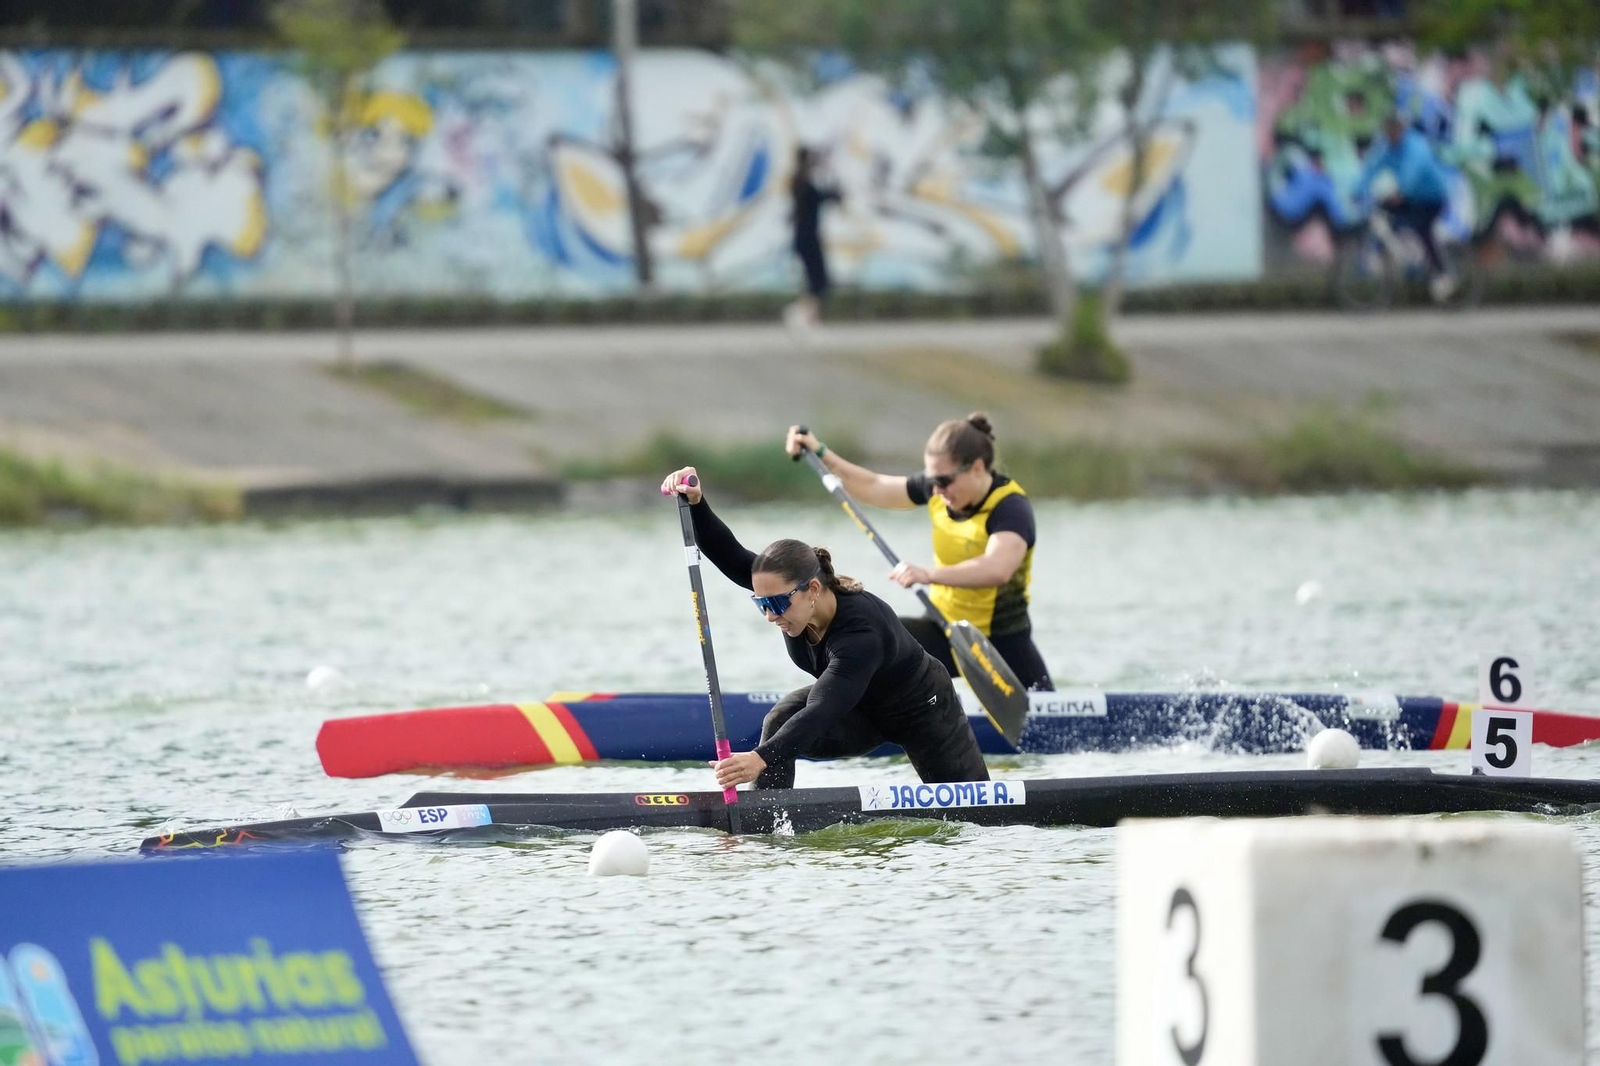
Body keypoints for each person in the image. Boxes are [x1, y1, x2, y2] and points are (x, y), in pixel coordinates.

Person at [659, 466, 987, 791]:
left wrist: (758, 758)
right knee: (779, 722)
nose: (770, 616)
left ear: (813, 589)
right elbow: (727, 553)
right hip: (862, 715)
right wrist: (697, 502)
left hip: (923, 711)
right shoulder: (786, 590)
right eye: (761, 604)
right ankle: (766, 823)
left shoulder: (860, 632)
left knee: (975, 812)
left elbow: (822, 710)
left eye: (775, 605)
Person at [784, 414, 1053, 692]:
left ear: (977, 467)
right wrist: (821, 452)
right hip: (942, 627)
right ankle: (843, 710)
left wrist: (927, 574)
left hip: (1001, 641)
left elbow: (998, 568)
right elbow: (874, 486)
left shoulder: (1010, 508)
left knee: (1051, 719)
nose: (936, 490)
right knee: (871, 638)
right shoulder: (938, 489)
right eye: (932, 480)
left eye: (944, 480)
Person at [1354, 113, 1456, 301]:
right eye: (1388, 132)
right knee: (1384, 218)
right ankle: (1395, 257)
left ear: (1402, 130)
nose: (1391, 135)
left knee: (1423, 229)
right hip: (1408, 197)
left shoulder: (1415, 146)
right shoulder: (1386, 146)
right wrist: (1358, 190)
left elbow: (1412, 173)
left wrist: (1401, 192)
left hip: (1431, 197)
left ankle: (1442, 273)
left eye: (1395, 131)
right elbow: (1372, 167)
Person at [786, 146, 841, 328]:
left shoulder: (800, 181)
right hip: (807, 236)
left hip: (806, 236)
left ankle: (812, 317)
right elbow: (822, 196)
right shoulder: (803, 183)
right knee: (816, 278)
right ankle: (802, 314)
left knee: (816, 278)